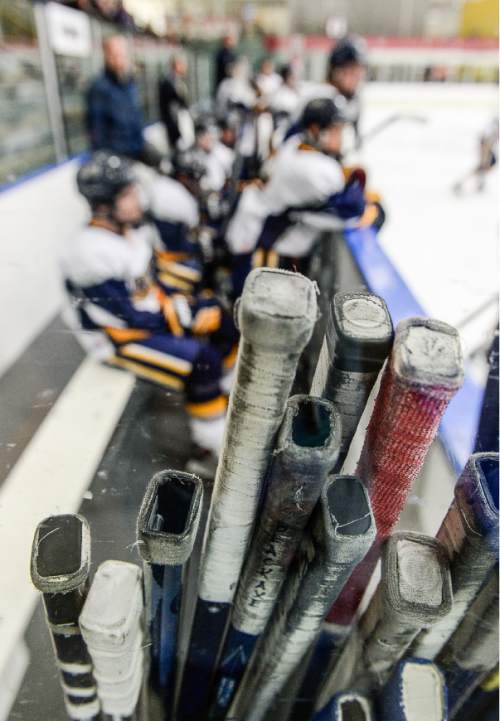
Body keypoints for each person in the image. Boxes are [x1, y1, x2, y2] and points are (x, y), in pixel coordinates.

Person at [61, 152, 234, 475]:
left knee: (221, 319)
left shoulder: (128, 232)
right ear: (103, 205)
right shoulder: (87, 253)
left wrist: (187, 306)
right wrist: (183, 316)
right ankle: (210, 451)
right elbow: (126, 317)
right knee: (203, 361)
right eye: (127, 194)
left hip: (145, 319)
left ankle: (224, 403)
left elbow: (150, 290)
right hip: (115, 340)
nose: (137, 198)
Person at [225, 98, 368, 296]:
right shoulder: (317, 170)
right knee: (261, 314)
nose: (341, 137)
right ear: (317, 130)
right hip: (266, 253)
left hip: (256, 233)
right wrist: (358, 184)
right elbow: (353, 210)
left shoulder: (294, 144)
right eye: (336, 130)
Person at [86, 36, 161, 166]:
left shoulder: (130, 83)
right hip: (118, 157)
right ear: (106, 56)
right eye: (114, 54)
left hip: (137, 149)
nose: (119, 59)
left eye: (122, 54)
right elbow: (96, 131)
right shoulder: (99, 88)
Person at [326, 36, 367, 147]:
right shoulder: (322, 101)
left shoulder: (354, 101)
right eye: (352, 72)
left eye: (360, 72)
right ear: (336, 72)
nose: (357, 78)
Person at [158, 54, 193, 152]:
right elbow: (171, 108)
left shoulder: (178, 81)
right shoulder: (169, 83)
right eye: (183, 65)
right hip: (175, 127)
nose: (185, 68)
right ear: (177, 65)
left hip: (179, 124)